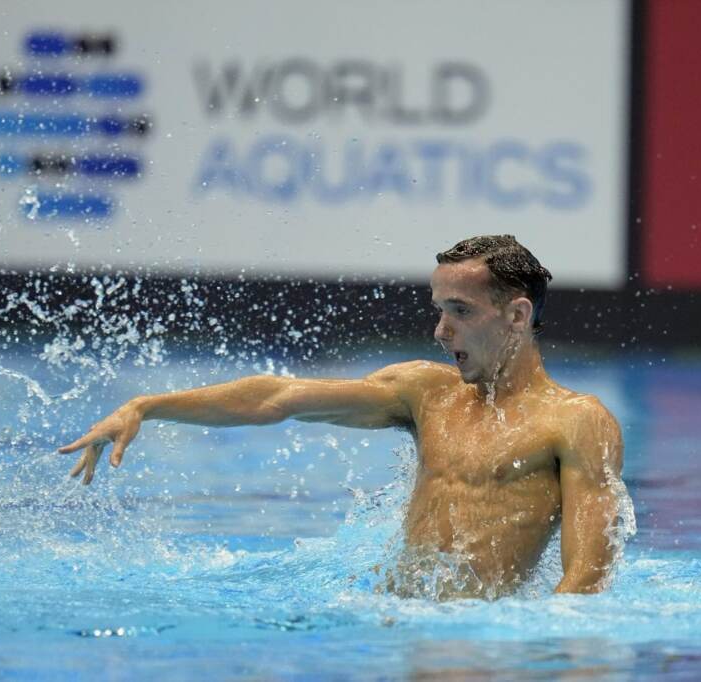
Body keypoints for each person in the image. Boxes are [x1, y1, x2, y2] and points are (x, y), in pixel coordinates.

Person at [58, 235, 626, 599]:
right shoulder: (426, 393)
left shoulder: (575, 422)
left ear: (517, 315)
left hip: (476, 644)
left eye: (460, 312)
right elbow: (278, 397)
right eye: (438, 311)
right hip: (385, 618)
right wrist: (148, 407)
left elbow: (585, 581)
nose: (440, 331)